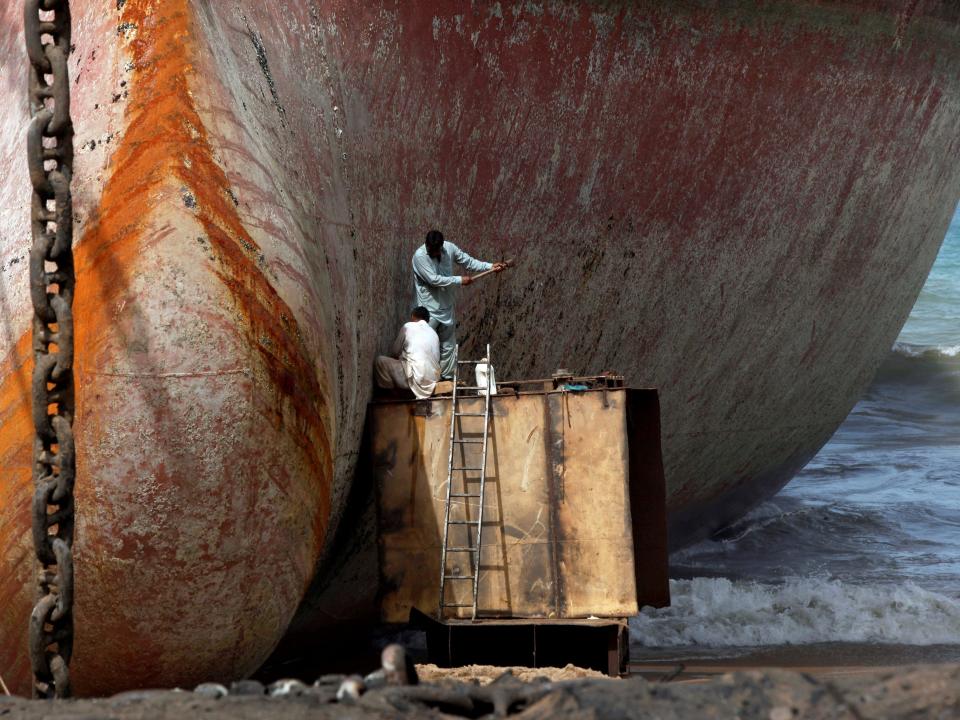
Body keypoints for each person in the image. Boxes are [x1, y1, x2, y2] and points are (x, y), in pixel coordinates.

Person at [412, 230, 506, 379]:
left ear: (441, 247)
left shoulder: (449, 248)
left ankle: (446, 381)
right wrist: (459, 280)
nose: (433, 254)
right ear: (427, 246)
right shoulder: (420, 256)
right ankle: (424, 381)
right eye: (430, 250)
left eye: (435, 251)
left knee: (448, 347)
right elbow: (434, 280)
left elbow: (468, 261)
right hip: (428, 310)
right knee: (425, 347)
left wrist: (490, 266)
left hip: (446, 307)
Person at [375, 306, 441, 399]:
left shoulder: (408, 326)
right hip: (432, 379)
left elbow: (395, 351)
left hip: (417, 377)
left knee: (380, 361)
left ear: (413, 316)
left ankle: (391, 396)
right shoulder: (434, 334)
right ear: (428, 320)